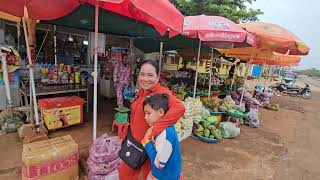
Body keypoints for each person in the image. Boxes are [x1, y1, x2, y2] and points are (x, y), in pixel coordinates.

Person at [119, 60, 185, 180]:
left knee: (147, 176)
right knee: (125, 174)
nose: (145, 79)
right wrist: (125, 135)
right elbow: (135, 116)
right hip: (134, 144)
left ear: (158, 77)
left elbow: (179, 108)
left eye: (150, 75)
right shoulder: (142, 92)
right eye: (142, 74)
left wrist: (154, 129)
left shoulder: (161, 93)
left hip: (149, 148)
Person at [141, 93, 182, 180]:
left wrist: (146, 143)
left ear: (161, 112)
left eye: (148, 113)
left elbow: (159, 163)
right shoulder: (166, 128)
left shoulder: (166, 134)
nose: (145, 117)